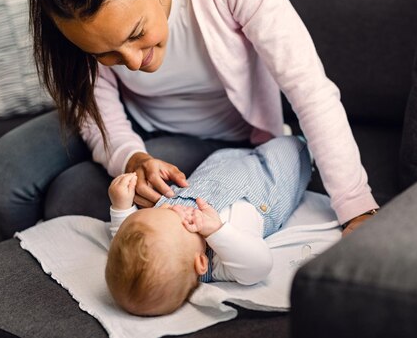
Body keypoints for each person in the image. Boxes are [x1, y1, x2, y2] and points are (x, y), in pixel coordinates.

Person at [0, 0, 378, 241]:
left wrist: (357, 208)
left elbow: (308, 86)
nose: (133, 62)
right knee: (5, 170)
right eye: (107, 54)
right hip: (133, 122)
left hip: (217, 134)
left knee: (74, 194)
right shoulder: (78, 20)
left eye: (136, 33)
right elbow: (95, 104)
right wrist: (130, 157)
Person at [106, 135, 311, 316]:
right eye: (178, 219)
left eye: (160, 210)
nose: (171, 207)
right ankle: (307, 152)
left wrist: (121, 207)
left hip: (219, 166)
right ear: (201, 262)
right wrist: (217, 231)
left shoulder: (168, 228)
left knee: (238, 151)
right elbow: (259, 266)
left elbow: (126, 239)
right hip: (269, 178)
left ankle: (259, 139)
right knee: (292, 148)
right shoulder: (219, 264)